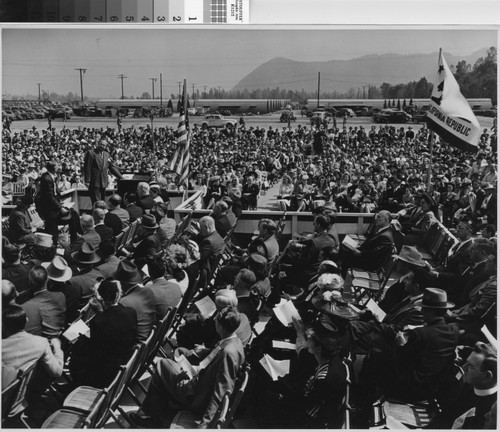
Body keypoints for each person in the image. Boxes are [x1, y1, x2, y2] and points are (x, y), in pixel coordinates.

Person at [130, 306, 245, 428]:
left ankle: (152, 418)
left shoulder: (229, 353)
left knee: (162, 365)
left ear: (220, 326)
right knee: (176, 357)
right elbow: (218, 355)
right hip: (199, 379)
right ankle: (157, 414)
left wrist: (204, 424)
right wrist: (205, 351)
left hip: (194, 395)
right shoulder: (234, 341)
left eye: (216, 321)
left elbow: (220, 392)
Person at [360, 288, 460, 403]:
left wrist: (400, 344)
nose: (421, 311)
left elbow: (400, 361)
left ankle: (363, 400)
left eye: (423, 309)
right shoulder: (454, 331)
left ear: (429, 312)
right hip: (432, 386)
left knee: (375, 355)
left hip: (410, 388)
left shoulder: (421, 334)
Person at [70, 278, 137, 388]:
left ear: (101, 299)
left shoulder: (99, 322)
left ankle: (74, 384)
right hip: (122, 363)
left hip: (102, 374)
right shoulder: (131, 312)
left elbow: (92, 349)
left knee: (73, 342)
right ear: (117, 295)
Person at [2, 304, 64, 390]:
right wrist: (57, 347)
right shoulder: (41, 342)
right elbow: (57, 372)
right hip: (22, 394)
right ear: (26, 320)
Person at [340, 210, 395, 276]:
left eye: (379, 217)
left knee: (345, 257)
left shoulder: (386, 236)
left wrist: (360, 253)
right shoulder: (382, 231)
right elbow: (372, 245)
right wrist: (358, 247)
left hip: (370, 263)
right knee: (343, 246)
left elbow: (376, 253)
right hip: (367, 256)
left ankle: (340, 277)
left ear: (386, 220)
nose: (376, 219)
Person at [115, 260, 156, 343]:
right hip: (147, 339)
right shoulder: (148, 291)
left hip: (135, 343)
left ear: (120, 283)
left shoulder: (124, 303)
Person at [21, 265, 66, 339]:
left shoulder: (26, 306)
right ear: (47, 279)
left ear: (30, 282)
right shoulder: (61, 296)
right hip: (60, 337)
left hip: (42, 343)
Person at [34, 160, 71, 244]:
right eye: (57, 166)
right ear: (53, 168)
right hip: (49, 209)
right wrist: (60, 208)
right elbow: (50, 196)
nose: (59, 167)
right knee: (52, 230)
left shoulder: (50, 176)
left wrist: (59, 202)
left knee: (73, 216)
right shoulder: (47, 179)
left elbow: (55, 193)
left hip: (53, 206)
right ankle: (52, 246)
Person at [83, 139, 123, 204]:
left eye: (104, 145)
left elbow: (111, 167)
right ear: (98, 144)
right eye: (100, 144)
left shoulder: (107, 154)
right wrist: (87, 181)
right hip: (94, 182)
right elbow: (87, 167)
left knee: (102, 201)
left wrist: (121, 177)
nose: (102, 146)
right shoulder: (91, 153)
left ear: (106, 146)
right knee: (96, 202)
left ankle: (102, 213)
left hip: (103, 182)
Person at [146, 255, 183, 321]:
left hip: (151, 325)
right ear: (164, 270)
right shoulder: (177, 287)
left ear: (149, 272)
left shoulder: (149, 292)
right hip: (165, 324)